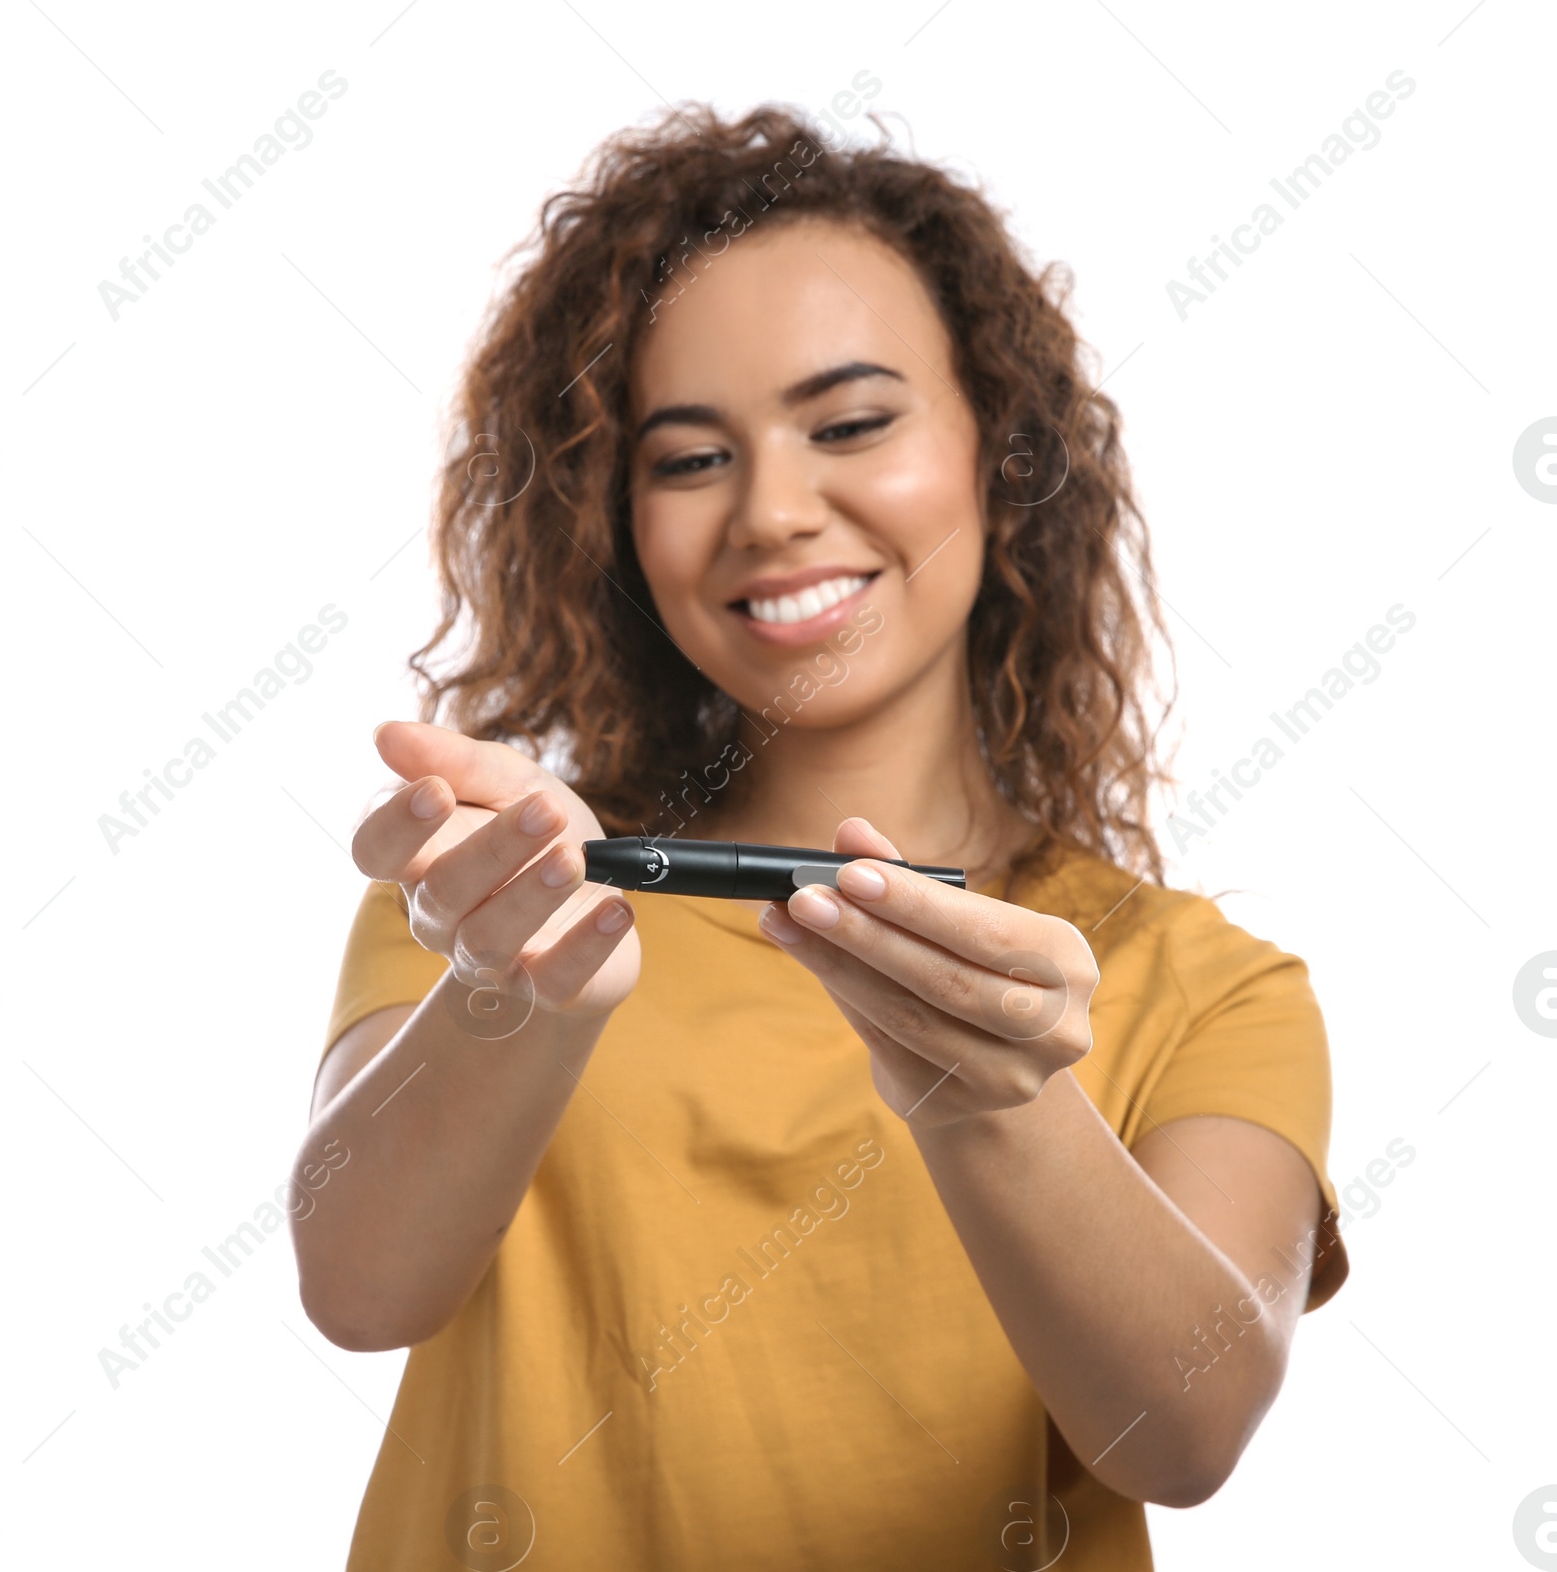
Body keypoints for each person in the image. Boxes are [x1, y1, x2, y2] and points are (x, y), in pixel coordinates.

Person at [289, 102, 1346, 1571]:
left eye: (851, 425)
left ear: (1003, 450)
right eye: (686, 458)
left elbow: (1187, 1435)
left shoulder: (1206, 988)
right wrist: (510, 1005)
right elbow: (358, 1291)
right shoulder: (502, 897)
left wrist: (995, 1098)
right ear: (617, 521)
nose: (775, 512)